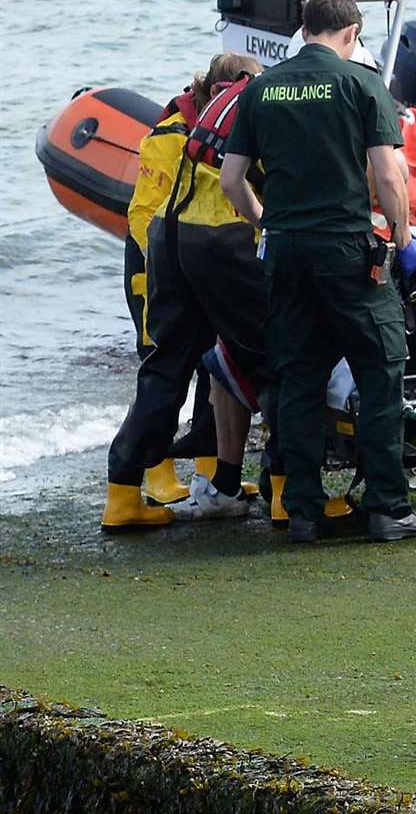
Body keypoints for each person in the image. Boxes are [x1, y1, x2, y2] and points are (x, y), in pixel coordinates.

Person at [220, 0, 416, 544]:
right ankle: (389, 506)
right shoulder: (362, 83)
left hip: (287, 250)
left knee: (297, 375)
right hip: (344, 247)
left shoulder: (262, 88)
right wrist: (403, 232)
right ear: (351, 33)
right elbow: (389, 174)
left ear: (304, 27)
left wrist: (266, 222)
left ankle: (303, 510)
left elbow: (230, 179)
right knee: (381, 369)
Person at [101, 54, 260, 531]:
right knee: (166, 367)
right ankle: (135, 484)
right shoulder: (172, 134)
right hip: (165, 264)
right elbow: (147, 215)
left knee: (222, 368)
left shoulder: (230, 127)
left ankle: (215, 473)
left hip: (206, 260)